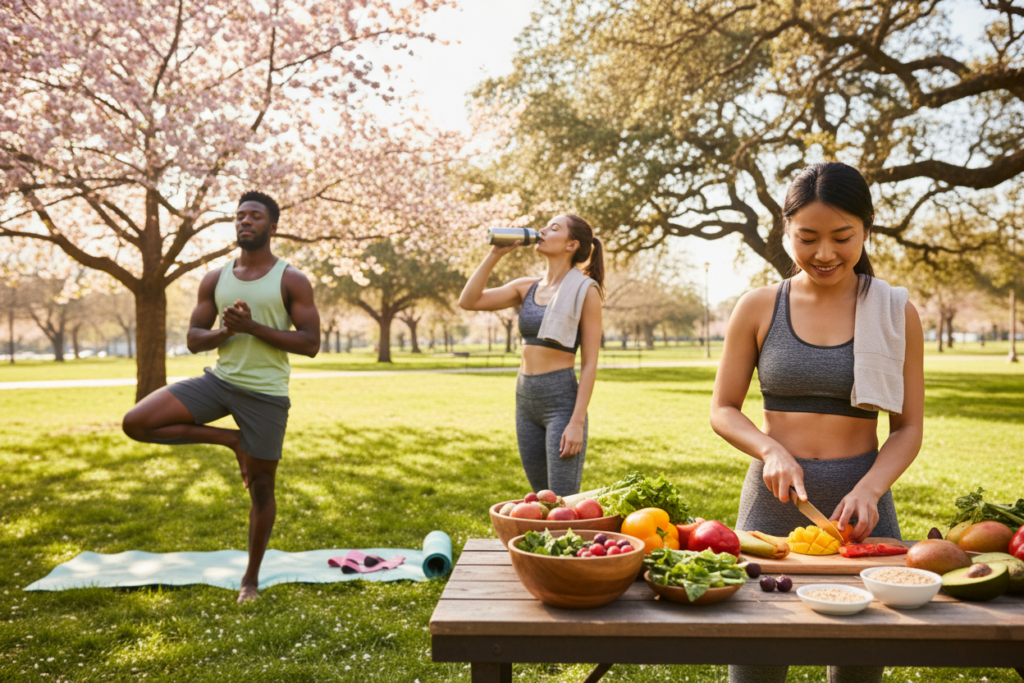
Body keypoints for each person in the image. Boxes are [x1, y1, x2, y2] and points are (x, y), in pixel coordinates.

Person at [710, 162, 924, 683]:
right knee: (756, 662)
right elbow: (723, 409)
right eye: (807, 237)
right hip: (772, 504)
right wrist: (770, 450)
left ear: (866, 230)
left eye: (842, 237)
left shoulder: (896, 312)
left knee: (858, 665)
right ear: (786, 231)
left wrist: (871, 489)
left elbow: (908, 428)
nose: (824, 253)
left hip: (864, 513)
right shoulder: (759, 307)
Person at [122, 191, 320, 603]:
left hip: (265, 395)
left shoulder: (291, 279)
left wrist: (252, 328)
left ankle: (250, 579)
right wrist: (226, 333)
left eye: (255, 216)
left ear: (273, 226)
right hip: (219, 381)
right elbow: (194, 340)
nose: (246, 221)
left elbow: (310, 343)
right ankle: (231, 440)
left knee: (262, 489)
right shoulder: (216, 278)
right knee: (136, 422)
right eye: (240, 215)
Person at [459, 215, 604, 496]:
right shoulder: (526, 287)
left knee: (561, 499)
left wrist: (576, 422)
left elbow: (590, 364)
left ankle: (568, 540)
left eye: (554, 228)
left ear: (571, 245)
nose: (542, 231)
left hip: (560, 403)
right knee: (540, 497)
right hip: (525, 400)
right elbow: (469, 300)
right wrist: (495, 254)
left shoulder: (586, 292)